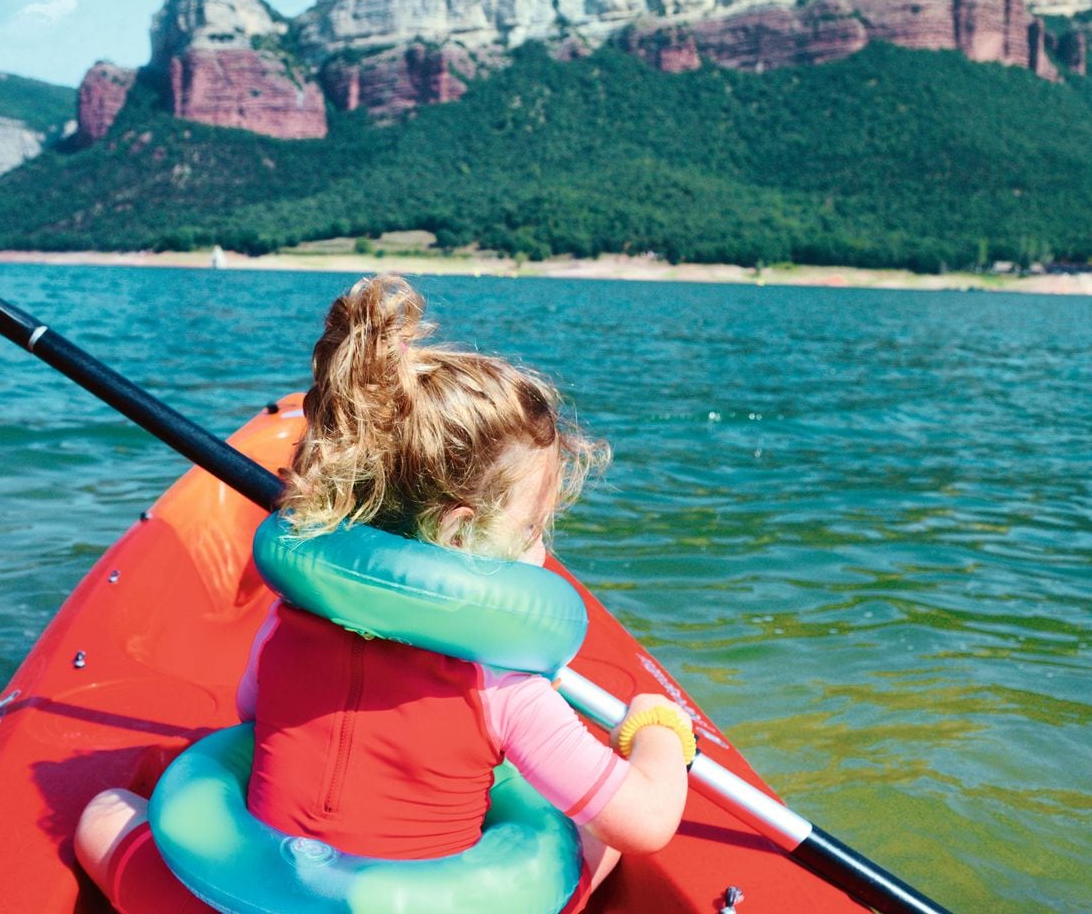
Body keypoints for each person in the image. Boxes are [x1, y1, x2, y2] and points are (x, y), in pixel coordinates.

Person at [75, 274, 692, 911]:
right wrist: (659, 729)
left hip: (251, 900)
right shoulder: (502, 687)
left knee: (104, 813)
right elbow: (644, 822)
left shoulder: (289, 622)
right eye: (533, 530)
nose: (540, 552)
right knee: (589, 837)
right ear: (458, 532)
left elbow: (250, 718)